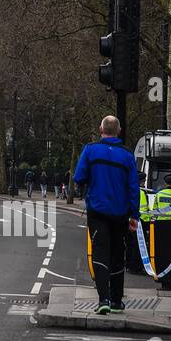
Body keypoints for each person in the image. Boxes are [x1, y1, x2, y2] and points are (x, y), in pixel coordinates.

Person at [73, 115, 140, 315]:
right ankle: (117, 301)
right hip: (120, 213)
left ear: (101, 129)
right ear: (119, 131)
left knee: (100, 253)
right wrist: (134, 215)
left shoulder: (91, 150)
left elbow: (79, 177)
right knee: (118, 255)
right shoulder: (127, 155)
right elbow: (133, 188)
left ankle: (103, 299)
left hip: (97, 210)